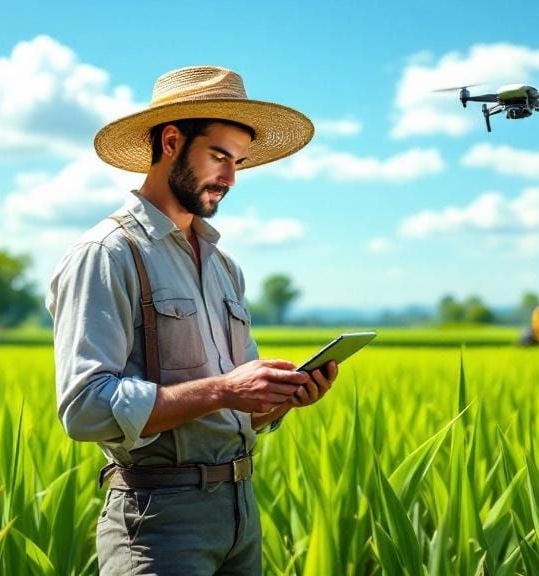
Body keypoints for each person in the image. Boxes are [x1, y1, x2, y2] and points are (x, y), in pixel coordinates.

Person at [46, 66, 337, 575]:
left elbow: (236, 409)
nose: (229, 178)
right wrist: (224, 390)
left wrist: (280, 398)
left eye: (239, 162)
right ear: (172, 142)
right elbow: (85, 409)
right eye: (219, 156)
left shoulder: (225, 267)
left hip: (240, 513)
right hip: (159, 523)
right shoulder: (108, 254)